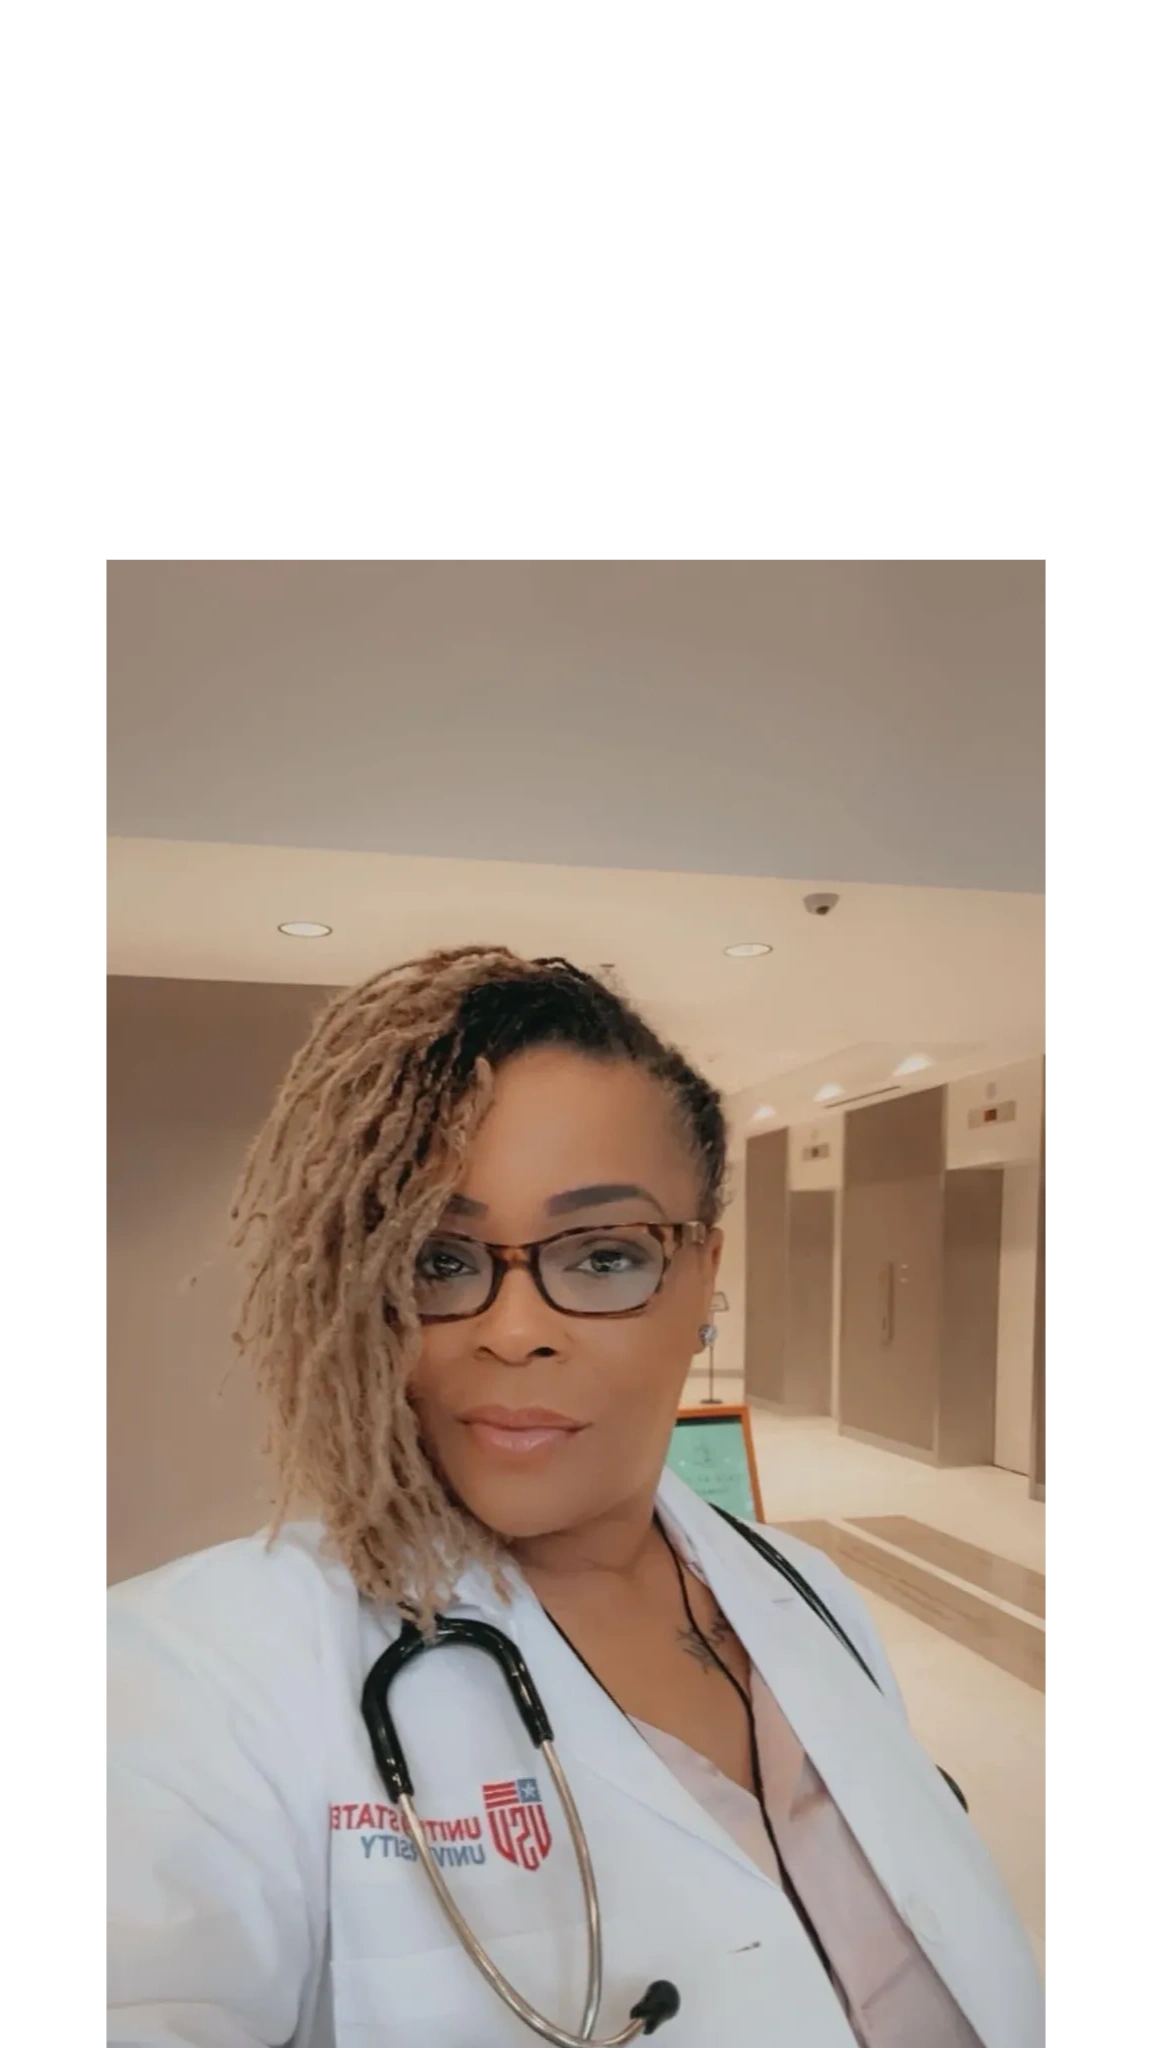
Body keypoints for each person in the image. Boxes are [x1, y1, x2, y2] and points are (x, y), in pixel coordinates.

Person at [105, 949, 1044, 2048]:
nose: (513, 1328)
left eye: (603, 1255)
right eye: (441, 1258)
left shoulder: (812, 1594)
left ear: (703, 1278)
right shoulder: (205, 1669)